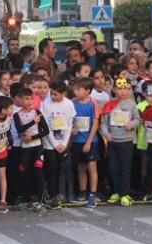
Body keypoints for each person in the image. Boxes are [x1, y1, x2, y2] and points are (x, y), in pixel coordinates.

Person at [100, 78, 139, 206]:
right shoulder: (109, 105)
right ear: (114, 90)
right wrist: (106, 134)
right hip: (113, 141)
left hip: (126, 141)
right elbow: (103, 123)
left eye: (126, 89)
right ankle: (115, 191)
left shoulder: (132, 104)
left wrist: (131, 124)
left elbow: (138, 120)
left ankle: (124, 194)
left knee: (125, 168)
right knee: (113, 168)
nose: (123, 92)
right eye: (120, 89)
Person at [41, 80, 76, 209]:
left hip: (63, 142)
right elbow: (45, 126)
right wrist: (55, 144)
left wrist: (64, 143)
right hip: (50, 143)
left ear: (63, 93)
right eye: (52, 94)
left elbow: (69, 125)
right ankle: (51, 194)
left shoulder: (69, 104)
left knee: (63, 169)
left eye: (56, 94)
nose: (53, 96)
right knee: (52, 169)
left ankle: (61, 194)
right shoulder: (46, 104)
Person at [71, 78, 101, 208]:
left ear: (87, 91)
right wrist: (72, 130)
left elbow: (95, 123)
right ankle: (82, 192)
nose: (76, 91)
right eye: (75, 89)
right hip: (77, 140)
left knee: (91, 166)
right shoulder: (72, 102)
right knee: (80, 167)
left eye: (79, 89)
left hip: (90, 141)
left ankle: (92, 194)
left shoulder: (93, 104)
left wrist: (89, 142)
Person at [12, 87, 44, 208]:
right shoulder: (17, 114)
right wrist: (32, 122)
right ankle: (26, 196)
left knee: (38, 171)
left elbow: (45, 131)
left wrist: (33, 137)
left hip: (37, 146)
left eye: (31, 99)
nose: (29, 101)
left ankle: (41, 198)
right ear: (20, 100)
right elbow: (20, 129)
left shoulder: (37, 112)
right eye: (26, 99)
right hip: (25, 148)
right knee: (24, 171)